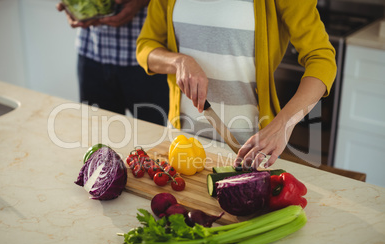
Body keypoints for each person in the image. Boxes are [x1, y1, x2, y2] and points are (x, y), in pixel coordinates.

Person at [136, 0, 337, 169]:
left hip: (249, 150)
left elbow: (321, 60)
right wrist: (179, 61)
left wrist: (284, 124)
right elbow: (145, 46)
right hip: (182, 142)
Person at [57, 0, 169, 126]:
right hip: (92, 53)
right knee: (97, 139)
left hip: (149, 62)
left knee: (157, 139)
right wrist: (71, 5)